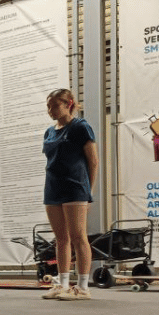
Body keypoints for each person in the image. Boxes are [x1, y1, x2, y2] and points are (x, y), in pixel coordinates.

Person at [40, 88, 98, 301]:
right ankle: (63, 284)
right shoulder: (49, 131)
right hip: (53, 188)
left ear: (69, 104)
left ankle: (82, 287)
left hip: (75, 188)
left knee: (78, 237)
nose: (50, 110)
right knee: (60, 239)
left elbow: (93, 161)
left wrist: (88, 192)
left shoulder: (80, 127)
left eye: (55, 105)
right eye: (48, 106)